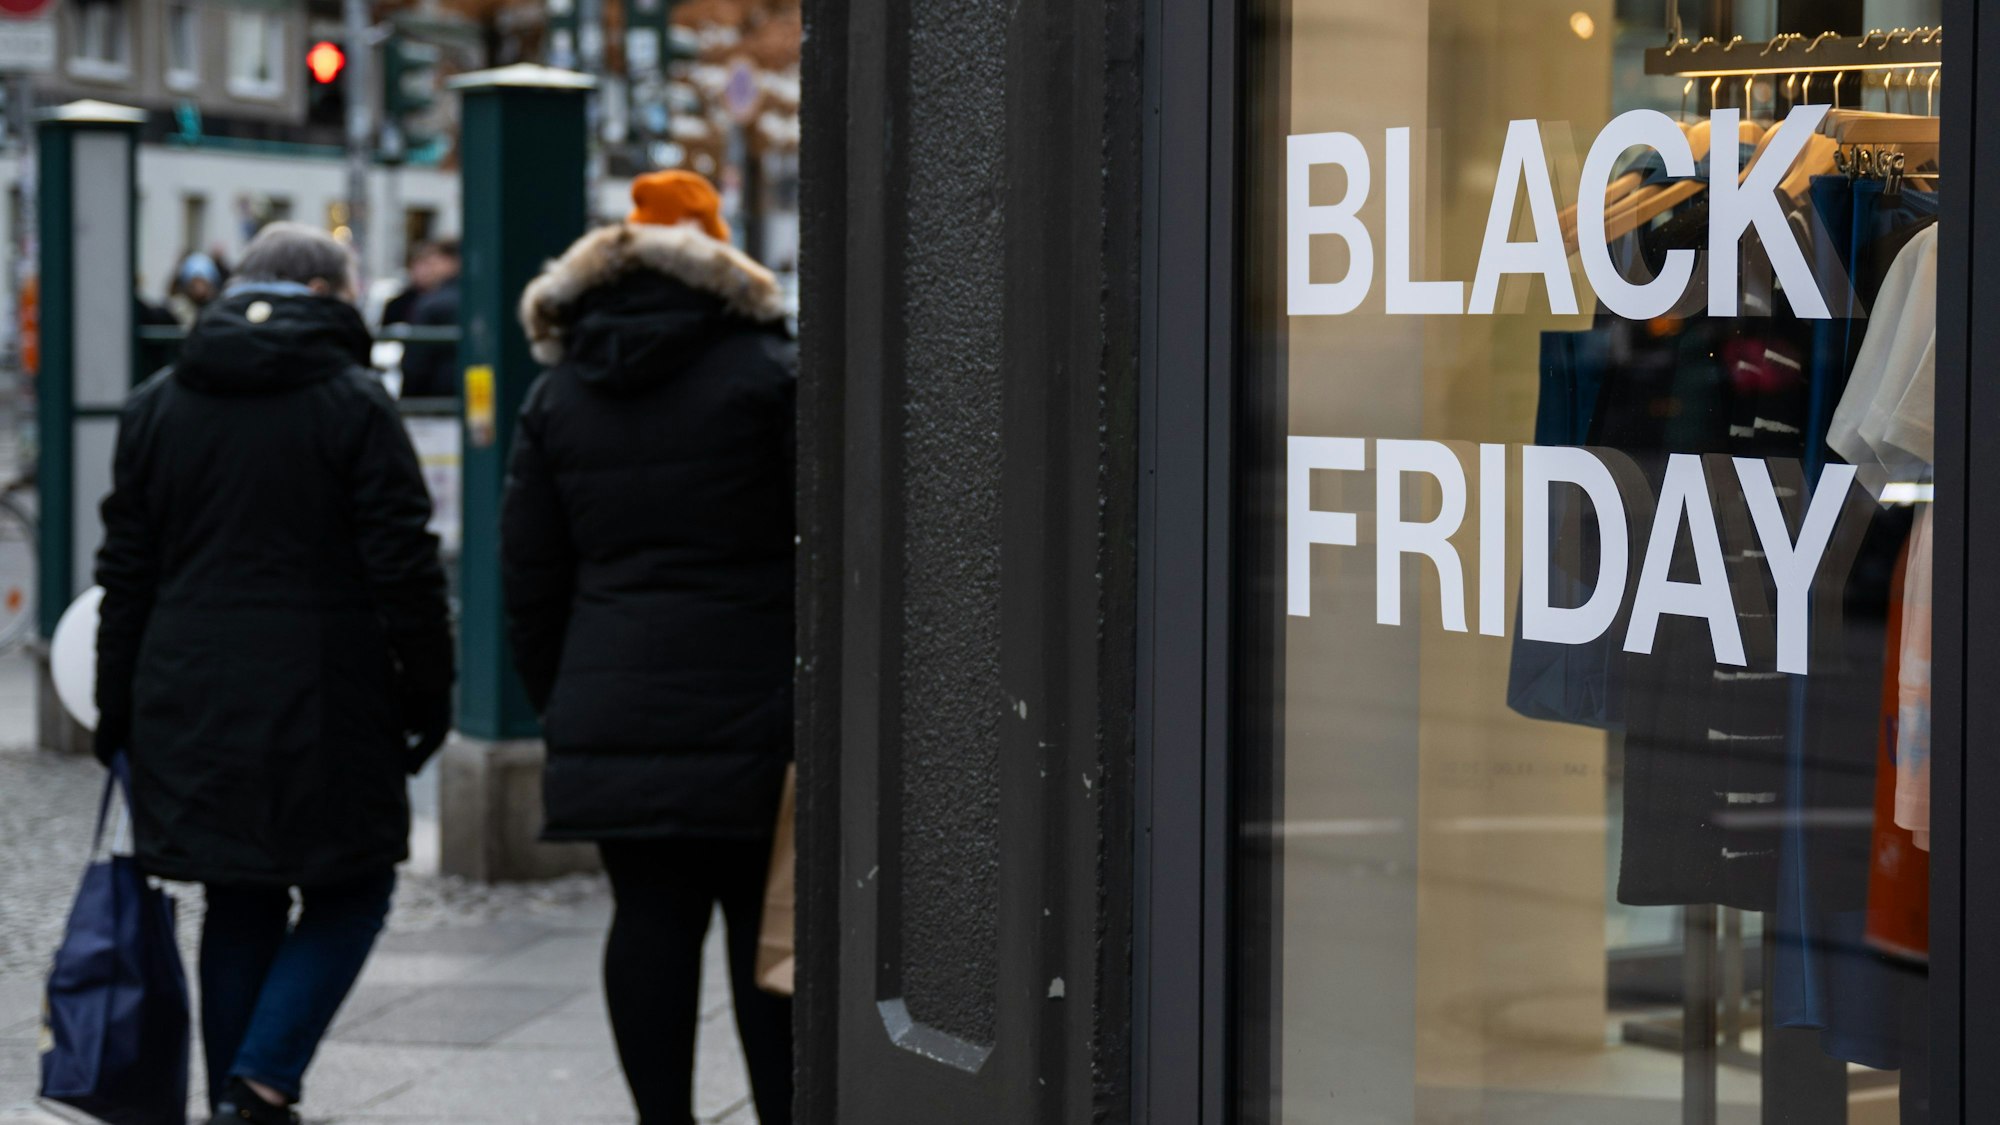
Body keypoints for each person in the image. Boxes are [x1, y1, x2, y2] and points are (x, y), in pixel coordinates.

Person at [95, 222, 455, 1125]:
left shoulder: (159, 402)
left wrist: (115, 702)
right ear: (331, 293)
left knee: (237, 891)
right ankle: (256, 1087)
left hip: (188, 686)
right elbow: (404, 565)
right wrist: (427, 691)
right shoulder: (353, 401)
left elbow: (125, 572)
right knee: (357, 883)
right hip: (327, 690)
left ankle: (235, 1097)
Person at [501, 170, 794, 1125]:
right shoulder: (769, 374)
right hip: (761, 704)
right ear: (721, 257)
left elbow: (530, 577)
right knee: (770, 932)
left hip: (612, 695)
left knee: (650, 917)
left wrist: (567, 698)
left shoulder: (558, 391)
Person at [397, 239, 461, 398]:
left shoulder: (431, 304)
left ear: (449, 262)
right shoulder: (478, 299)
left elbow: (415, 365)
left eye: (435, 262)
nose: (431, 269)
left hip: (435, 397)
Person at [165, 250, 223, 325]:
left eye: (203, 282)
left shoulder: (217, 308)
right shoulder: (176, 307)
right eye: (195, 283)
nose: (199, 288)